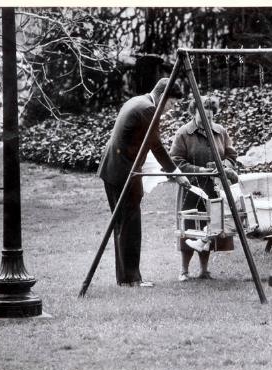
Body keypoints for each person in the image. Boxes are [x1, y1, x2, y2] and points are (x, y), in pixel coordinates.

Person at [97, 78, 190, 287]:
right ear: (163, 97)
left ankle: (125, 278)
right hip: (124, 173)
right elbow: (156, 146)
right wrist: (176, 173)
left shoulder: (137, 101)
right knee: (130, 225)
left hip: (112, 170)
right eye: (171, 104)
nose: (170, 110)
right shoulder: (148, 109)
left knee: (122, 225)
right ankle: (132, 279)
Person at [170, 95, 238, 282]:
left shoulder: (220, 131)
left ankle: (204, 270)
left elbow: (232, 156)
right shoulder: (184, 133)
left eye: (210, 118)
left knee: (211, 227)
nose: (207, 123)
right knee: (190, 227)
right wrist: (200, 170)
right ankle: (184, 271)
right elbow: (175, 162)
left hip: (213, 189)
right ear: (194, 113)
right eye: (203, 119)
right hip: (191, 188)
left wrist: (224, 165)